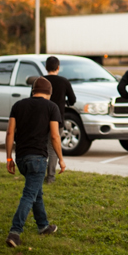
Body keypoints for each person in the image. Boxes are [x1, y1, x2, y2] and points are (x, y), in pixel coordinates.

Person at [5, 76, 66, 248]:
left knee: (36, 191)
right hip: (38, 159)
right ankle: (15, 232)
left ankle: (43, 226)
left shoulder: (18, 106)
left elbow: (10, 133)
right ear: (49, 93)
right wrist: (61, 159)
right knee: (29, 196)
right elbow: (54, 136)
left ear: (33, 91)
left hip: (21, 158)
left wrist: (9, 158)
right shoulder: (51, 107)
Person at [45, 56, 76, 184]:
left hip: (41, 120)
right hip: (58, 120)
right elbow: (73, 100)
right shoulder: (64, 82)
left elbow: (33, 98)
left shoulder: (41, 81)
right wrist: (64, 103)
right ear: (58, 68)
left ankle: (37, 174)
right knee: (52, 149)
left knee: (41, 148)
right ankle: (50, 177)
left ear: (46, 68)